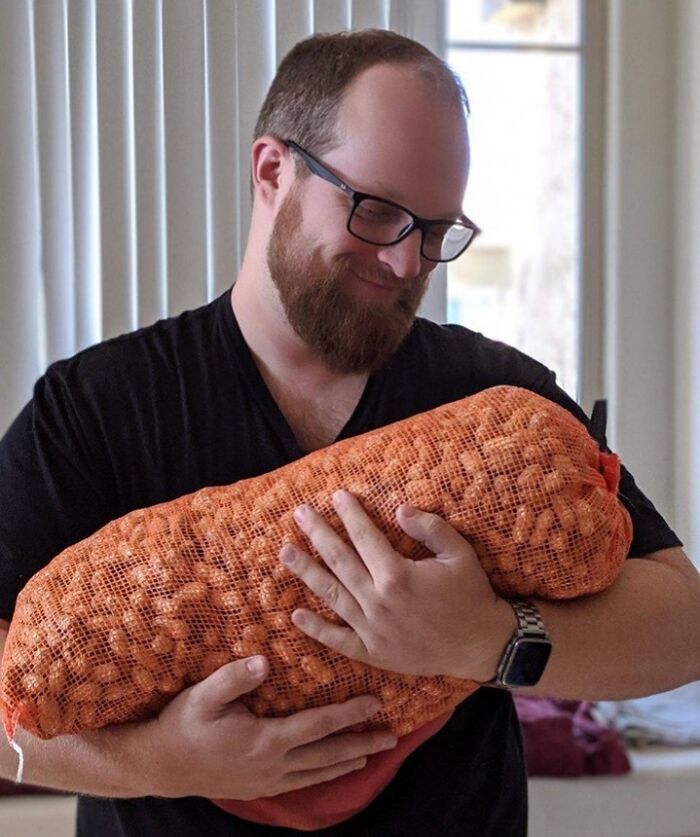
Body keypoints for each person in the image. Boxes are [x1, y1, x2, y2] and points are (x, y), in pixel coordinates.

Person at [0, 28, 698, 837]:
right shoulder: (100, 404)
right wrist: (160, 760)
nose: (407, 265)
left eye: (436, 234)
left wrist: (492, 640)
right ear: (273, 171)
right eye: (377, 213)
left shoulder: (498, 404)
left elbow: (682, 624)